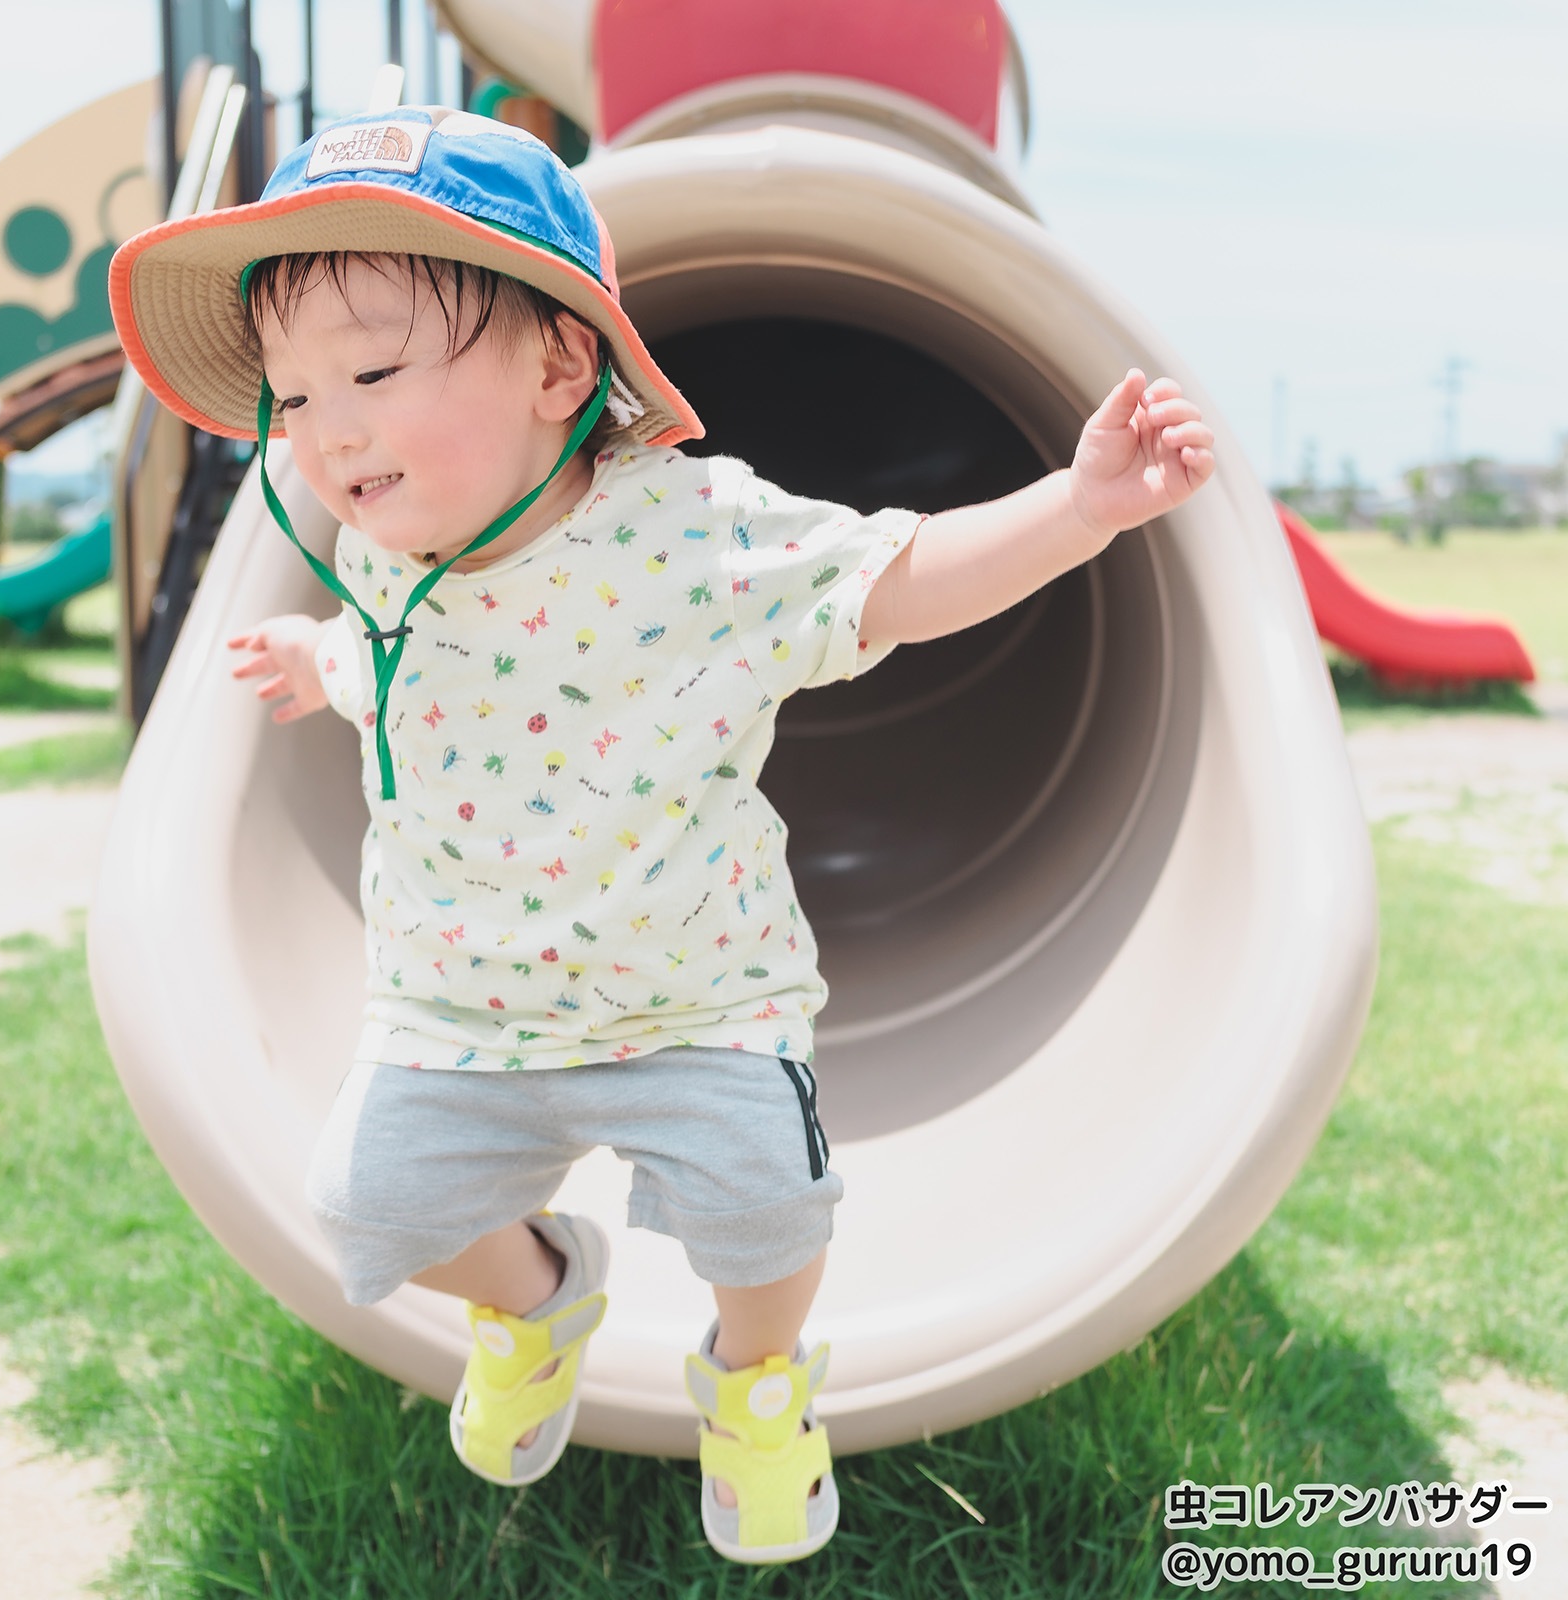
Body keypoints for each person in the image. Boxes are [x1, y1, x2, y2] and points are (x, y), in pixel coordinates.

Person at [107, 105, 1215, 1565]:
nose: (331, 430)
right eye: (296, 399)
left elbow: (897, 580)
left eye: (373, 370)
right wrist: (314, 665)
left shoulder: (694, 536)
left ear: (561, 362)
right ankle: (538, 1295)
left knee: (769, 1214)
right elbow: (397, 666)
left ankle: (757, 1388)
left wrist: (1080, 509)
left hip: (696, 1000)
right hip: (463, 1013)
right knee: (366, 1209)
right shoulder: (381, 556)